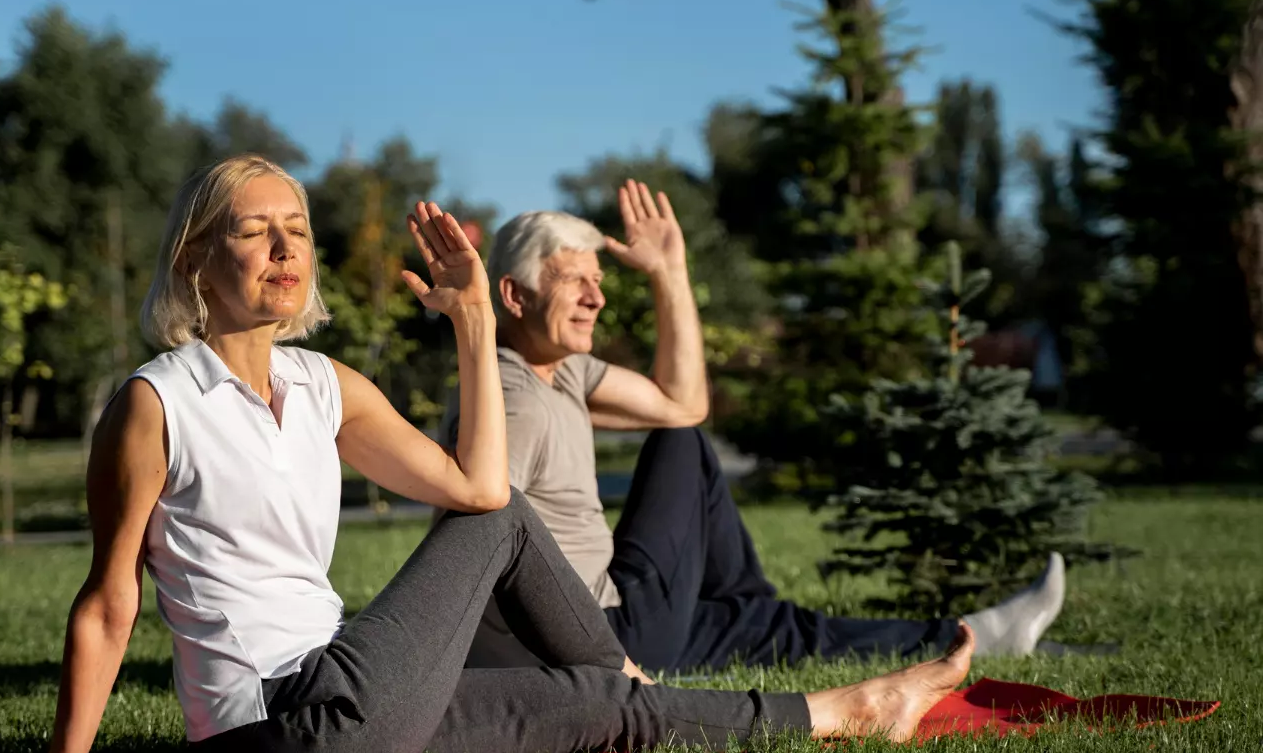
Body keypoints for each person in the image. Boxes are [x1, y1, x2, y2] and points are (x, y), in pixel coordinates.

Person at [20, 155, 975, 753]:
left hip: (356, 712)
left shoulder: (324, 385)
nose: (285, 249)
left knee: (598, 706)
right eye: (255, 231)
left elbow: (471, 485)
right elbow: (109, 605)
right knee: (520, 542)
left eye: (297, 230)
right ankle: (645, 674)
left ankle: (852, 711)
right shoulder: (158, 402)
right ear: (197, 259)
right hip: (273, 727)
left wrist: (474, 320)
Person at [440, 180, 1065, 677]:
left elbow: (684, 400)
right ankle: (755, 610)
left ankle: (979, 635)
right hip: (602, 635)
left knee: (776, 629)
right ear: (514, 297)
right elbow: (474, 532)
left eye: (599, 280)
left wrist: (669, 273)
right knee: (680, 446)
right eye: (574, 280)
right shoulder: (511, 397)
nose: (597, 298)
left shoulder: (563, 370)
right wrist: (539, 665)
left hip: (620, 624)